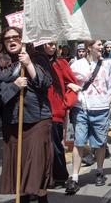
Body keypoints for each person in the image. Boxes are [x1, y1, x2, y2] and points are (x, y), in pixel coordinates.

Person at [0, 27, 53, 202]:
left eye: (16, 37)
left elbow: (46, 83)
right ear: (3, 42)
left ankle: (42, 199)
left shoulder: (38, 57)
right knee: (18, 167)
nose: (12, 41)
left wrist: (29, 64)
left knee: (37, 166)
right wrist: (13, 86)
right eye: (8, 39)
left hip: (38, 120)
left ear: (23, 39)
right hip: (12, 122)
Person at [66, 40, 111, 194]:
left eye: (102, 45)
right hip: (81, 108)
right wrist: (70, 85)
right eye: (98, 45)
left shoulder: (107, 63)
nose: (101, 47)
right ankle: (75, 177)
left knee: (100, 143)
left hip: (101, 109)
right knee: (79, 142)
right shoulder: (76, 65)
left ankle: (99, 171)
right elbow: (64, 79)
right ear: (89, 47)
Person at [37, 41, 79, 188]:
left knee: (55, 146)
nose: (53, 47)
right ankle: (43, 179)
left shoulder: (60, 63)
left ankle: (60, 176)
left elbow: (73, 85)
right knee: (40, 149)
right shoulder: (34, 63)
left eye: (55, 44)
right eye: (49, 44)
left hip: (55, 112)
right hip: (37, 112)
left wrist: (66, 103)